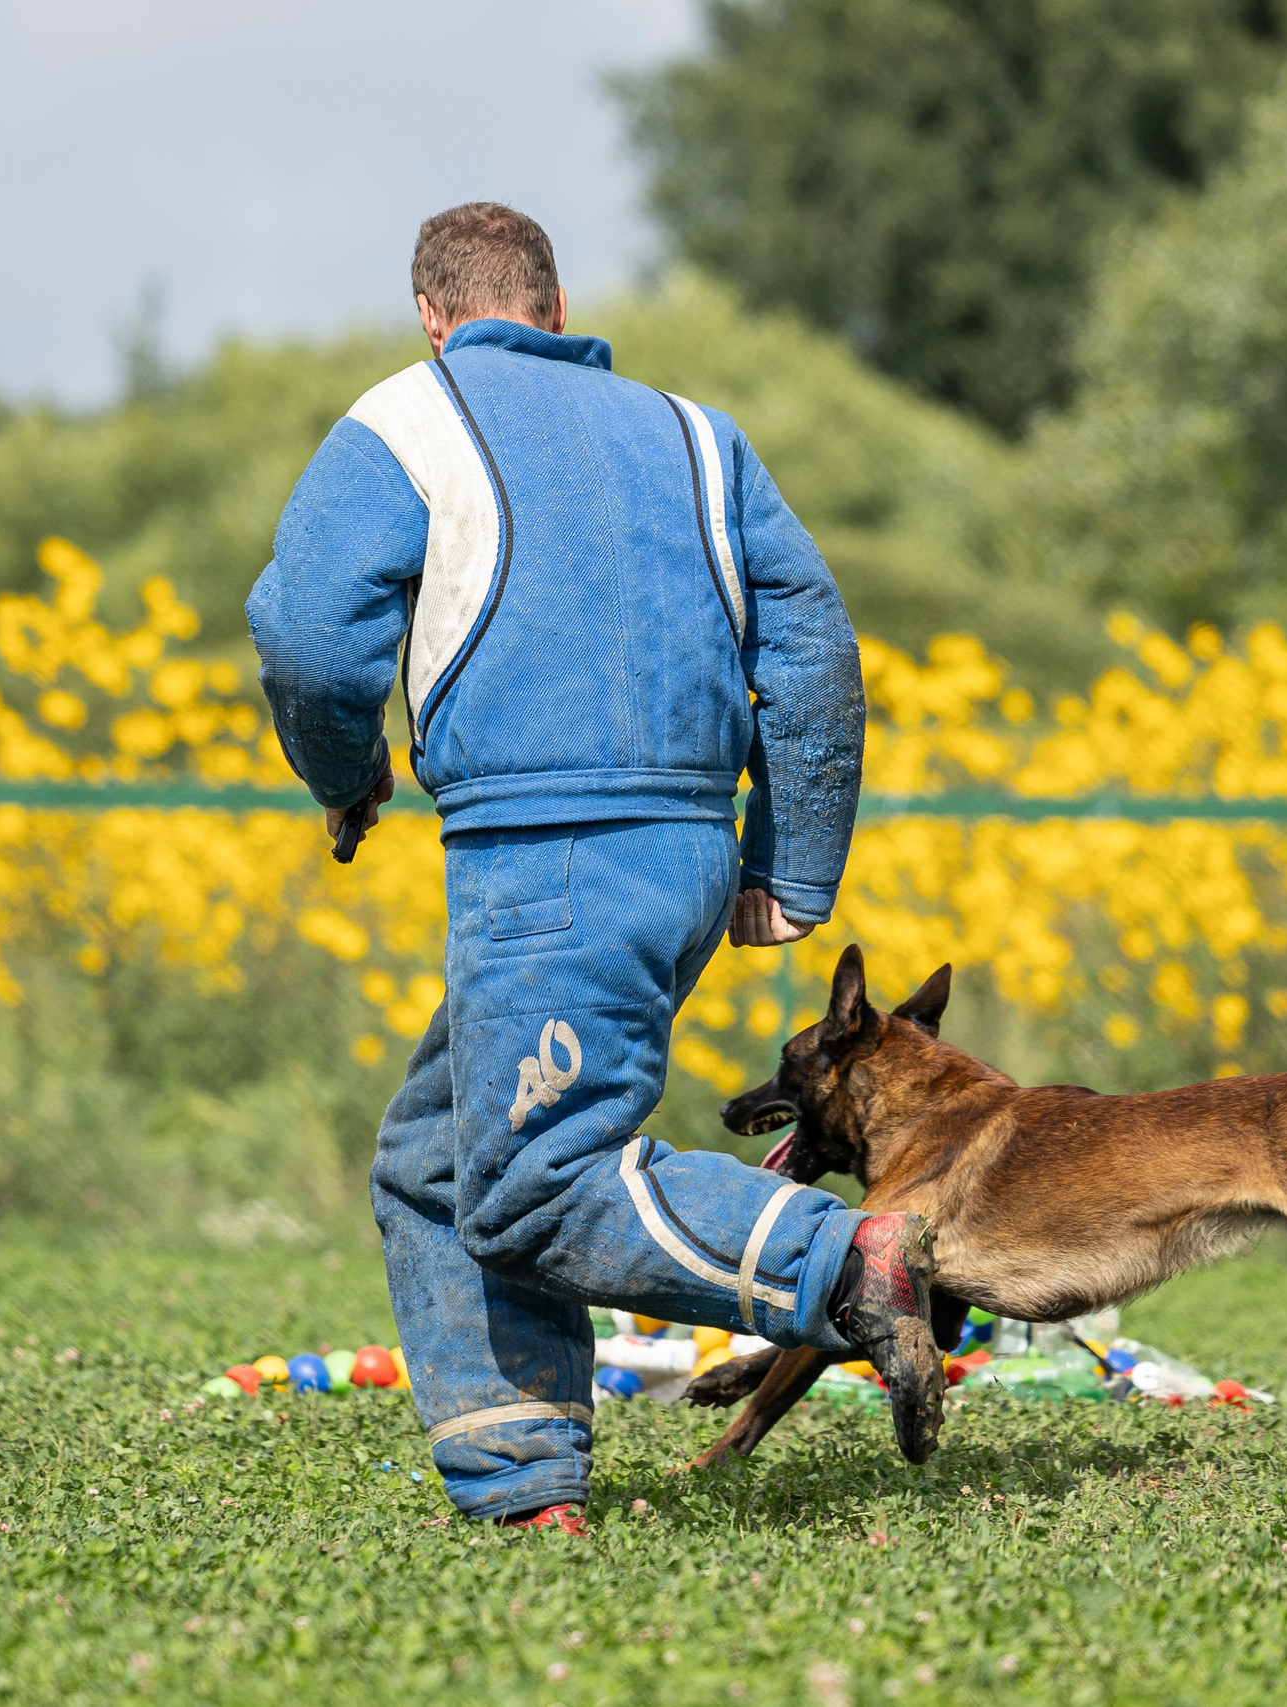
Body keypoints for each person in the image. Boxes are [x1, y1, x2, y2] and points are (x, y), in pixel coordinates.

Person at [246, 203, 947, 1533]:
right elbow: (813, 651)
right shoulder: (699, 435)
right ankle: (523, 1485)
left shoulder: (406, 417)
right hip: (681, 850)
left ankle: (845, 1260)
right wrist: (785, 864)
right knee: (437, 1160)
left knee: (536, 1178)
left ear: (435, 319)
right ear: (558, 315)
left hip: (548, 854)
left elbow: (306, 633)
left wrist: (343, 768)